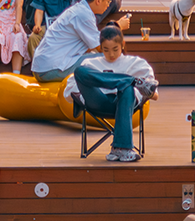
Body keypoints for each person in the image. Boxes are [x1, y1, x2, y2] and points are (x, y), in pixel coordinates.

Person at [65, 25, 159, 162]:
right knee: (80, 71)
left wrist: (137, 90)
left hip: (125, 103)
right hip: (98, 101)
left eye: (115, 49)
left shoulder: (136, 63)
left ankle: (122, 148)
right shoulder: (90, 63)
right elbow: (68, 93)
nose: (111, 54)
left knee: (127, 88)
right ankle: (131, 80)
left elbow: (155, 95)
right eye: (106, 50)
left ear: (123, 44)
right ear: (100, 47)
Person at [31, 0, 129, 82]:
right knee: (111, 58)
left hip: (46, 66)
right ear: (98, 0)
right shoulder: (83, 15)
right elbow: (102, 47)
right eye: (108, 1)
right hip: (49, 69)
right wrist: (118, 27)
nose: (108, 5)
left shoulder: (81, 10)